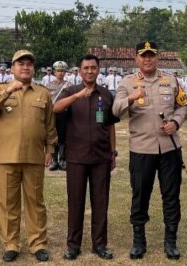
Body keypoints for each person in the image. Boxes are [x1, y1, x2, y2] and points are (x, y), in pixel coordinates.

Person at [112, 41, 187, 260]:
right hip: (141, 149)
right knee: (140, 195)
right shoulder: (127, 82)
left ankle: (171, 241)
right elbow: (115, 110)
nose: (147, 59)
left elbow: (183, 105)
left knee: (171, 196)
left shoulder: (171, 80)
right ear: (136, 58)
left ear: (157, 57)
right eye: (143, 56)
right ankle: (139, 241)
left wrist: (175, 122)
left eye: (151, 55)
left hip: (169, 149)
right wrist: (130, 98)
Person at [0, 50, 57, 263]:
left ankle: (38, 244)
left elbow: (50, 125)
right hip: (7, 157)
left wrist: (50, 150)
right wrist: (7, 91)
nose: (25, 67)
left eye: (29, 64)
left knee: (36, 202)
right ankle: (11, 244)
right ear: (12, 68)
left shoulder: (43, 93)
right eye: (20, 64)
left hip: (34, 156)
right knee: (8, 203)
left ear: (33, 68)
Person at [53, 54, 118, 261]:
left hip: (101, 156)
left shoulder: (106, 94)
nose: (89, 71)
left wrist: (113, 152)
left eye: (93, 68)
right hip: (76, 156)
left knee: (100, 202)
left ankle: (100, 244)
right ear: (79, 72)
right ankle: (73, 245)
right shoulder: (70, 91)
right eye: (85, 68)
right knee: (76, 202)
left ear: (98, 70)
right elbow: (56, 108)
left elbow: (110, 126)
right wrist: (77, 96)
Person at [44, 61, 71, 171]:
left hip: (64, 114)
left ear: (65, 72)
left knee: (63, 137)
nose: (60, 73)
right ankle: (54, 160)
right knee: (52, 137)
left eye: (62, 71)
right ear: (54, 72)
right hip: (52, 115)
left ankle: (63, 159)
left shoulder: (69, 86)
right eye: (58, 71)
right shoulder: (48, 86)